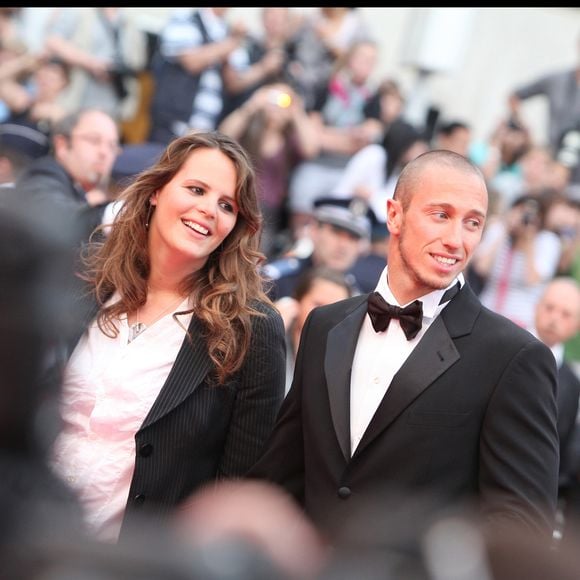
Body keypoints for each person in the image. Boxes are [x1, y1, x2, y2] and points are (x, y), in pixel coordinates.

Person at [249, 150, 560, 543]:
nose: (456, 240)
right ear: (394, 215)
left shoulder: (513, 357)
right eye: (441, 215)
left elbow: (521, 529)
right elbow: (280, 475)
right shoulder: (325, 326)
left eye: (473, 223)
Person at [50, 130, 286, 544]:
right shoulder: (91, 283)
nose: (209, 210)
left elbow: (237, 488)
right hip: (28, 538)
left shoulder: (251, 327)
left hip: (133, 562)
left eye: (227, 205)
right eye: (196, 189)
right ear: (157, 190)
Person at [12, 107, 122, 247]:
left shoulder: (77, 188)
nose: (104, 152)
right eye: (94, 141)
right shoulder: (42, 174)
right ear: (62, 145)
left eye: (112, 146)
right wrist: (114, 213)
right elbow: (57, 217)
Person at [531, 277, 580, 537]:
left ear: (575, 326)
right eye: (549, 308)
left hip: (538, 498)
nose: (554, 318)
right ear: (537, 308)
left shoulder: (571, 384)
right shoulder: (501, 348)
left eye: (565, 314)